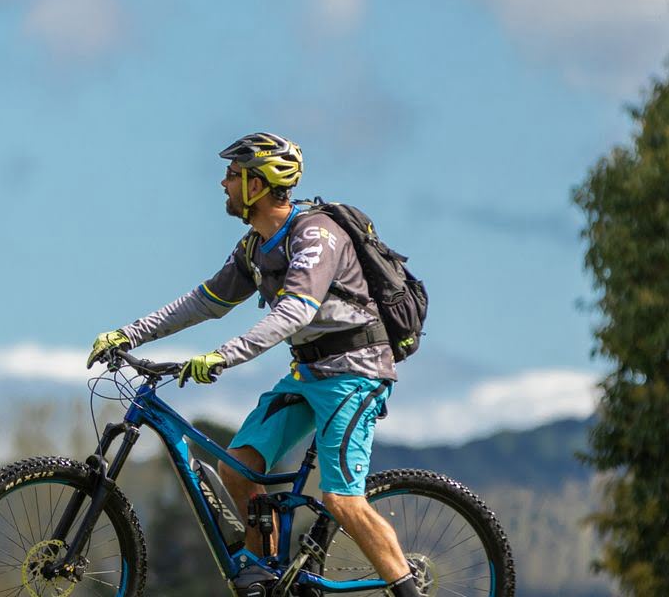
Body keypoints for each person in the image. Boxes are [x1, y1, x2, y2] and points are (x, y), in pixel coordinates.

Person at [87, 133, 423, 597]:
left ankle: (407, 589)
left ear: (257, 185)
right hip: (307, 374)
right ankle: (265, 576)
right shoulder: (255, 247)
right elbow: (204, 302)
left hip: (356, 374)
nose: (222, 183)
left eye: (232, 175)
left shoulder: (316, 235)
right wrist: (130, 333)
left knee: (342, 499)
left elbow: (295, 311)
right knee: (239, 468)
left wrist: (224, 355)